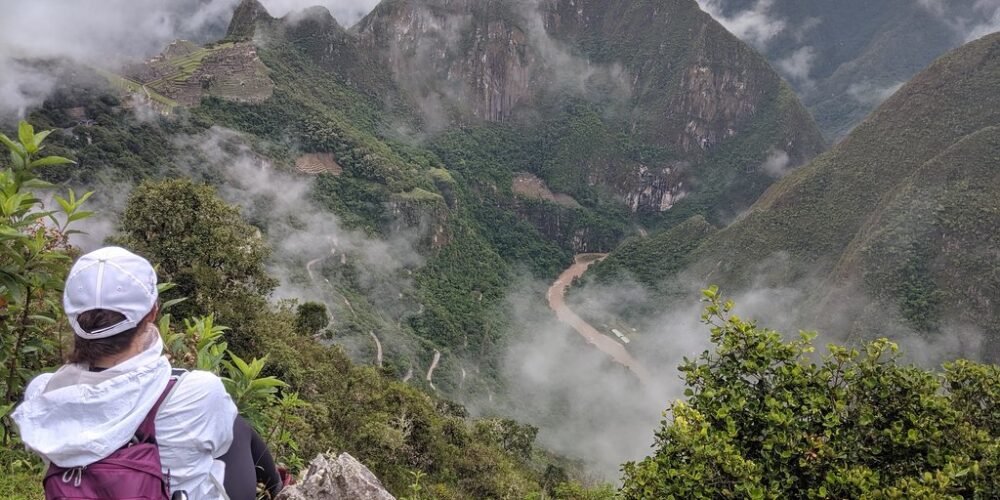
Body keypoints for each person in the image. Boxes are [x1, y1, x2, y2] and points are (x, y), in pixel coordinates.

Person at [12, 246, 282, 499]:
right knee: (238, 429)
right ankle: (280, 489)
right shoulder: (194, 392)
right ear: (153, 312)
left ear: (72, 317)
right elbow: (222, 441)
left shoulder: (44, 395)